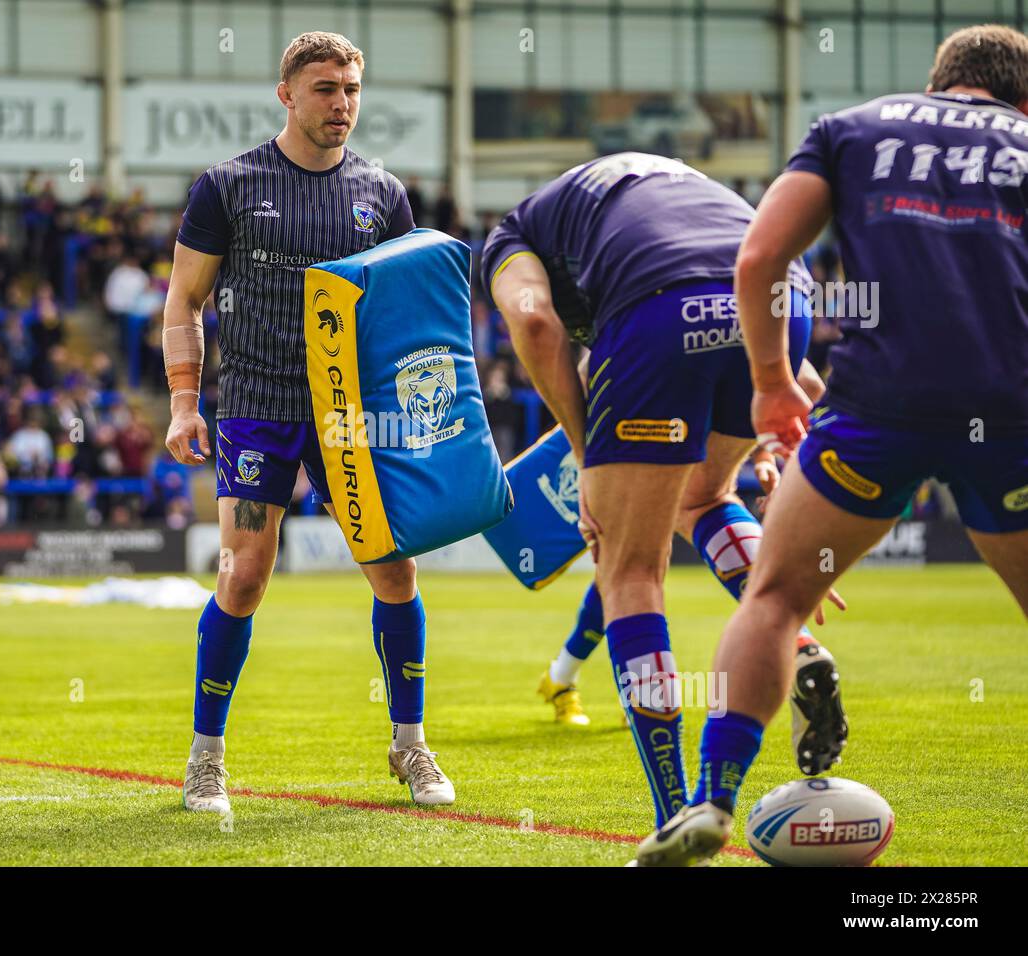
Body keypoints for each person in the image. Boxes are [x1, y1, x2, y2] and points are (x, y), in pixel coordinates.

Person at [637, 23, 1028, 866]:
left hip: (875, 407)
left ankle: (710, 802)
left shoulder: (853, 129)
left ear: (936, 81)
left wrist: (775, 381)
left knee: (774, 598)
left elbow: (761, 260)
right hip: (1011, 411)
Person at [485, 151, 846, 836]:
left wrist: (590, 457)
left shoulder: (515, 234)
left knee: (629, 570)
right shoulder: (686, 194)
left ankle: (677, 811)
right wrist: (787, 444)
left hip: (660, 320)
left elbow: (534, 324)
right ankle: (793, 641)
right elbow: (793, 374)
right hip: (777, 302)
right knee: (704, 498)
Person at [163, 32, 454, 816]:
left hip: (350, 416)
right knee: (244, 576)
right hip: (257, 405)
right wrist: (185, 402)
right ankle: (206, 756)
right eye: (326, 88)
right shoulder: (227, 186)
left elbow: (405, 314)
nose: (343, 104)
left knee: (396, 574)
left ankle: (410, 742)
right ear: (286, 93)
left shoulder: (384, 194)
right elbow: (184, 301)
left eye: (353, 89)